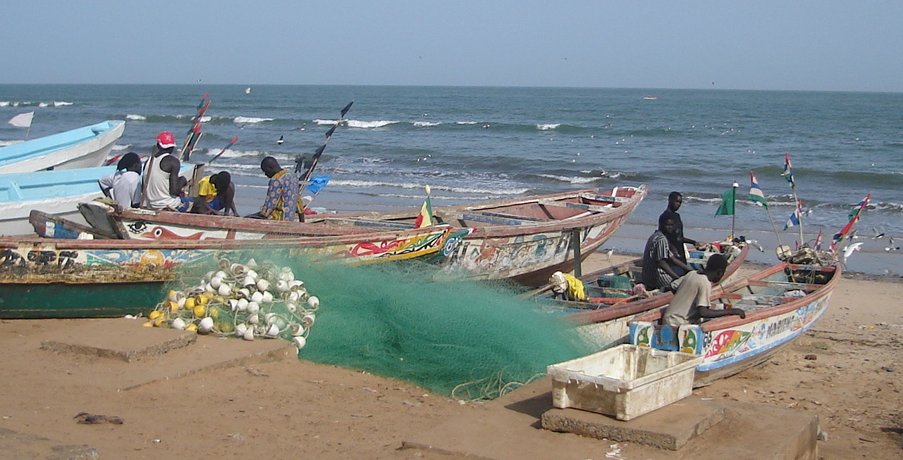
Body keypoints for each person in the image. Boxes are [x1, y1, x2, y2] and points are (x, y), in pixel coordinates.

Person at [661, 253, 745, 327]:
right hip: (678, 324)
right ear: (719, 272)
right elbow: (704, 312)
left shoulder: (692, 273)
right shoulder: (705, 282)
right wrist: (731, 311)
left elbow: (672, 286)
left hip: (667, 319)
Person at [141, 131, 195, 212]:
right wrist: (183, 180)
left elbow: (143, 187)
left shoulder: (148, 161)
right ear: (172, 147)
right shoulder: (173, 161)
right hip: (168, 204)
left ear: (158, 145)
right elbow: (174, 191)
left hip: (150, 205)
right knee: (198, 202)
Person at [642, 214, 696, 291]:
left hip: (647, 275)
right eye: (667, 225)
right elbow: (661, 263)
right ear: (661, 225)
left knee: (682, 272)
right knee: (686, 286)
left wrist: (691, 270)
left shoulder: (655, 235)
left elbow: (672, 258)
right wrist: (676, 277)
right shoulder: (661, 239)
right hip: (656, 277)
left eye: (672, 225)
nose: (670, 227)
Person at [255, 156, 299, 220]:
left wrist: (262, 214)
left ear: (270, 168)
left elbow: (271, 203)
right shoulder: (292, 177)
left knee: (249, 217)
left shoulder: (276, 179)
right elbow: (298, 201)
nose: (265, 174)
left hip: (279, 217)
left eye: (265, 171)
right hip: (290, 217)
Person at [660, 191, 698, 265]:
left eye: (680, 202)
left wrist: (693, 242)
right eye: (676, 201)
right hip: (671, 254)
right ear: (670, 200)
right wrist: (672, 249)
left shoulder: (677, 216)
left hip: (680, 251)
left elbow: (679, 237)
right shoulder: (665, 217)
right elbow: (662, 237)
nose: (678, 204)